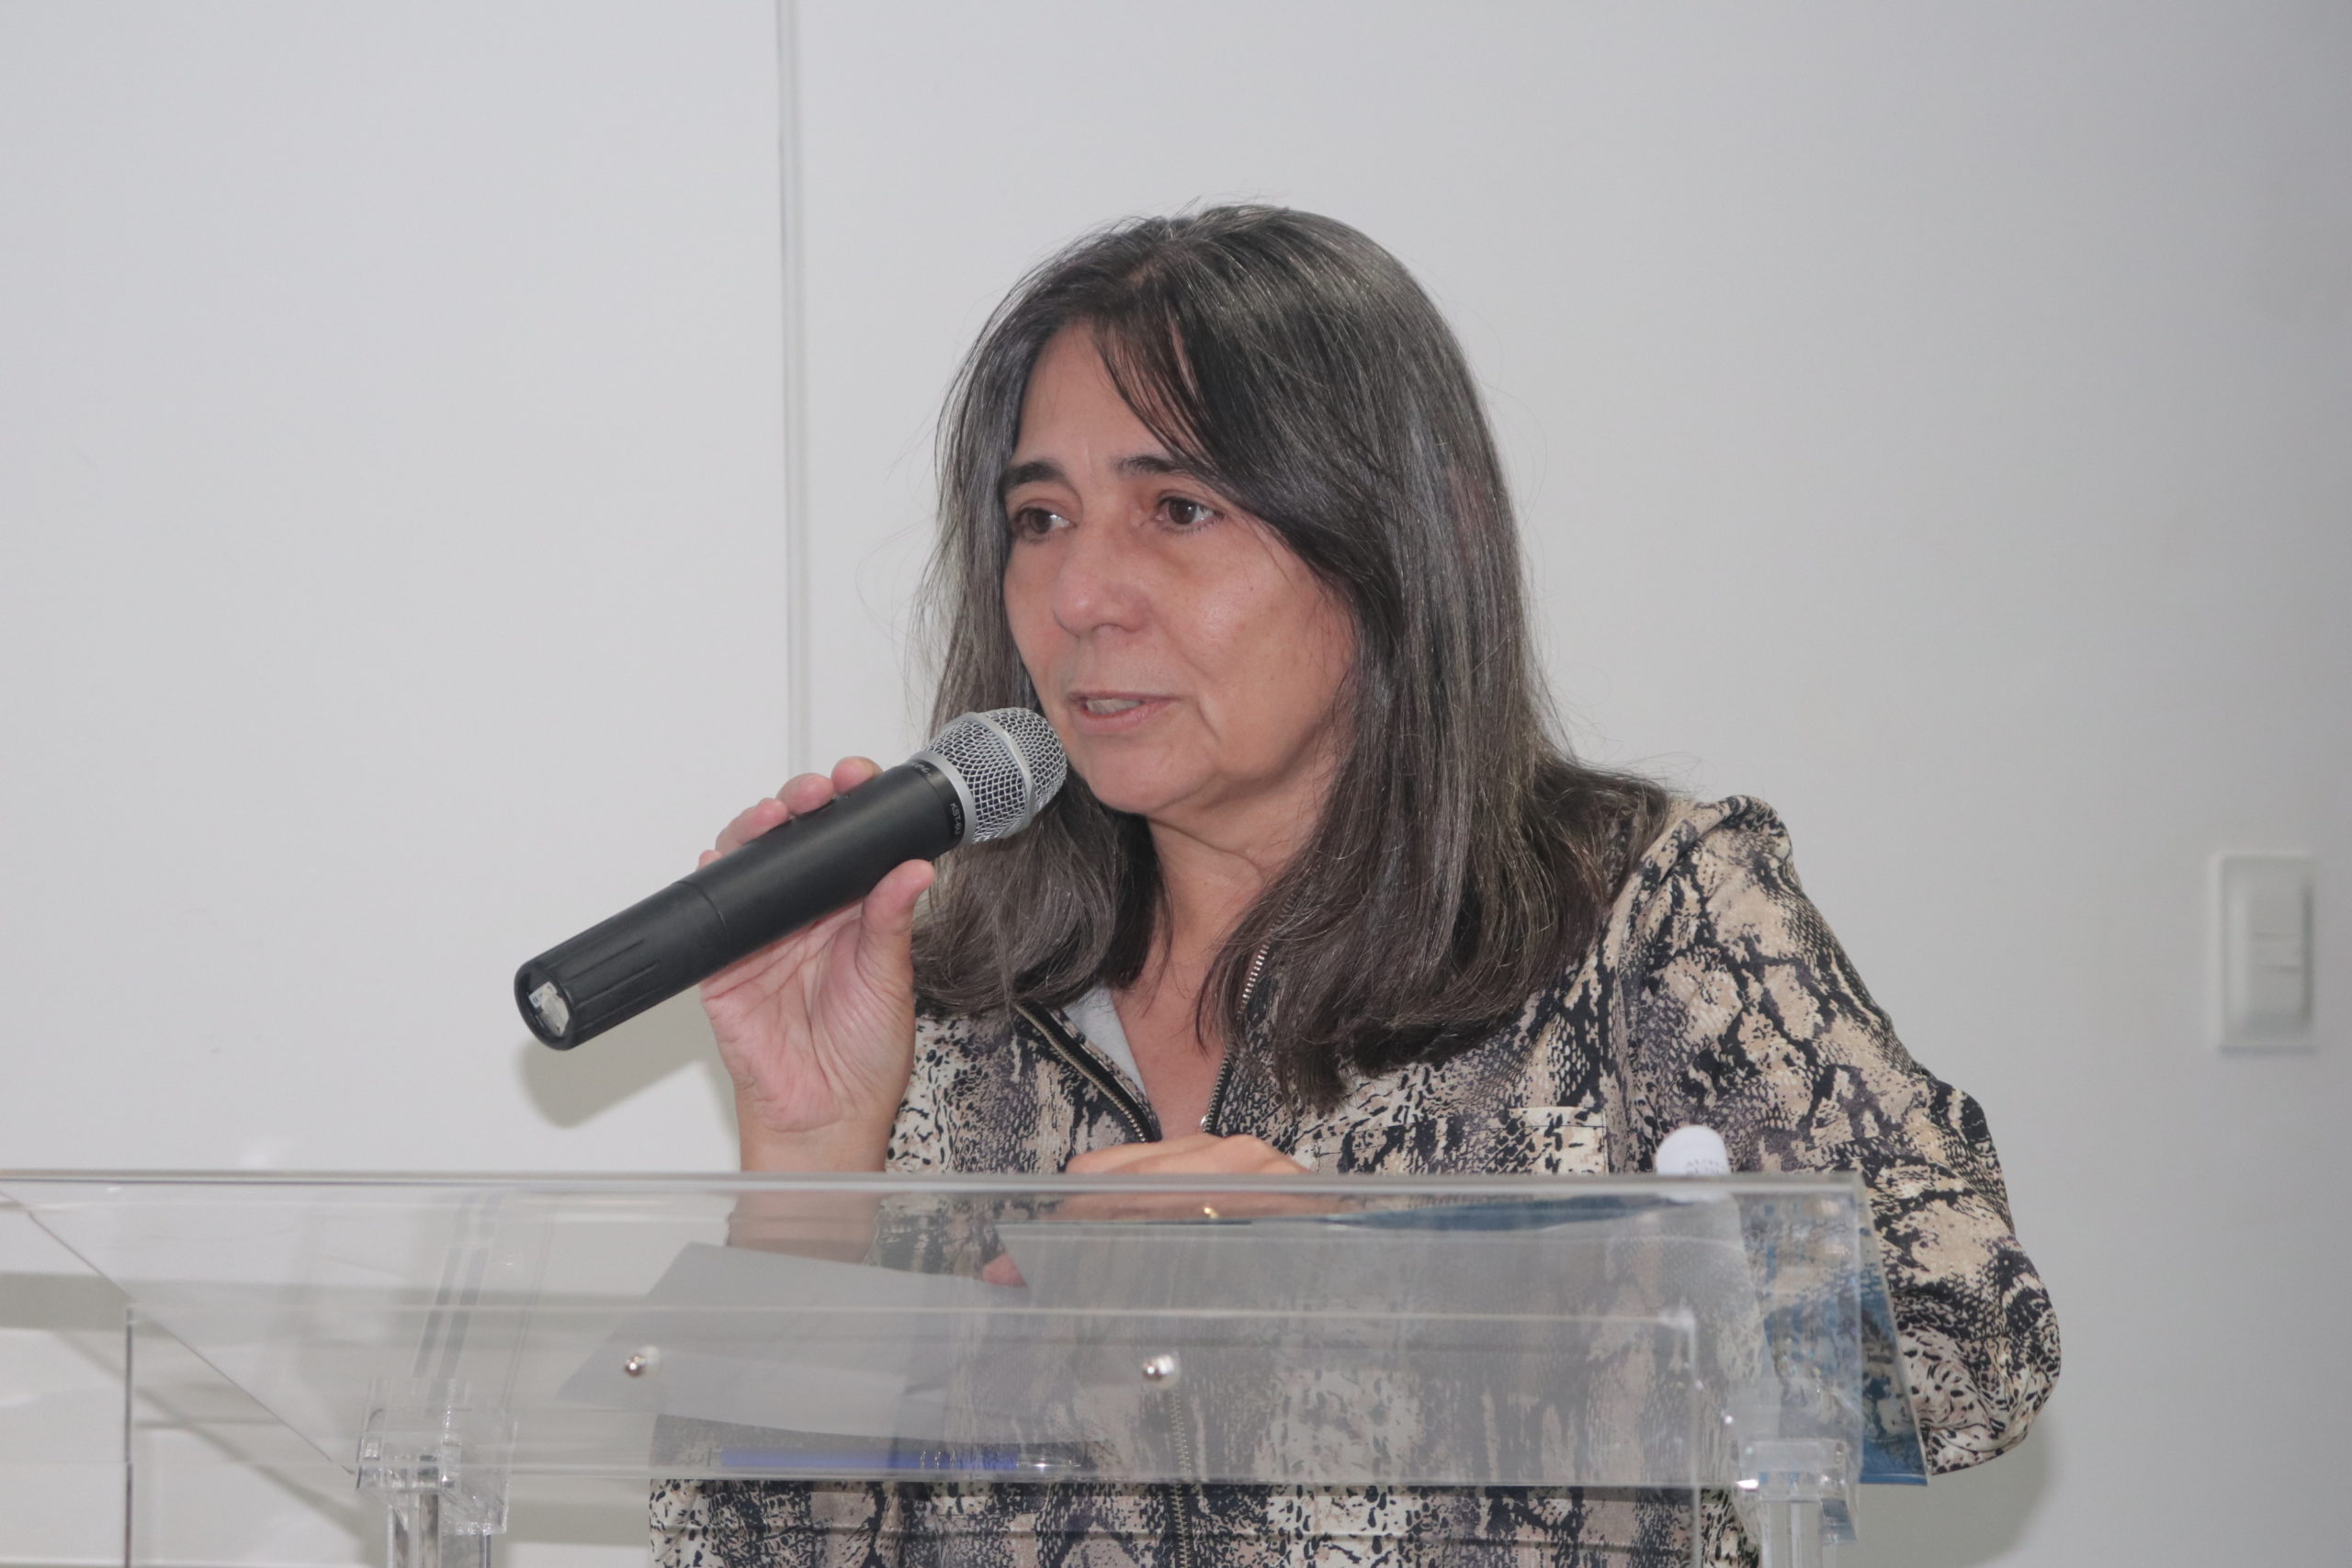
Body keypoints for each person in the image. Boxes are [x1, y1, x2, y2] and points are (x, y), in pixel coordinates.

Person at [652, 207, 2059, 1566]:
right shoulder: (955, 1007)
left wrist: (1366, 1264)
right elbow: (756, 1551)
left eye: (1178, 508)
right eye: (1040, 516)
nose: (1081, 595)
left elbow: (1965, 1356)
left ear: (1401, 533)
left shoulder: (1644, 915)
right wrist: (809, 1168)